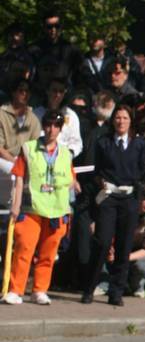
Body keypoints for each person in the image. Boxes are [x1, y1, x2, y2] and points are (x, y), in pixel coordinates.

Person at [3, 110, 77, 305]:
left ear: (60, 129)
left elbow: (71, 180)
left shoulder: (65, 154)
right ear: (44, 126)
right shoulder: (29, 149)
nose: (51, 130)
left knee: (48, 253)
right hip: (31, 208)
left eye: (56, 126)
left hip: (56, 210)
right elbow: (19, 177)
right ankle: (16, 290)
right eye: (48, 125)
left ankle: (40, 290)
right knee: (24, 249)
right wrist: (16, 205)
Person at [82, 104, 145, 306]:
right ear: (113, 120)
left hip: (129, 199)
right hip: (109, 197)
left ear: (131, 121)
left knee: (124, 245)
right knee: (102, 242)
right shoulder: (104, 142)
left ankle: (116, 292)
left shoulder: (139, 144)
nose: (121, 121)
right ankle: (89, 288)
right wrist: (100, 183)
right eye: (118, 117)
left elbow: (141, 170)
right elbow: (96, 170)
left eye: (125, 118)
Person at [0, 79, 42, 162]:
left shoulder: (34, 119)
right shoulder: (1, 114)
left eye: (27, 91)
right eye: (21, 90)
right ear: (13, 92)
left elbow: (35, 147)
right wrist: (15, 163)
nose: (25, 94)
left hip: (25, 161)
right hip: (3, 159)